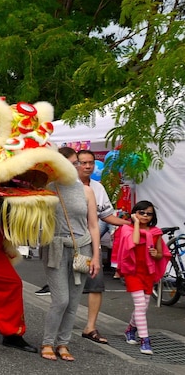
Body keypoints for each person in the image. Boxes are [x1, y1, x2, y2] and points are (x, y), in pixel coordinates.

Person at [39, 147, 100, 361]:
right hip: (54, 247)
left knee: (74, 302)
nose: (77, 167)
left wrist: (97, 257)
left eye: (78, 163)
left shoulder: (86, 191)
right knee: (61, 300)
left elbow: (93, 226)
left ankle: (63, 344)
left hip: (81, 248)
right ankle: (48, 342)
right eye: (73, 163)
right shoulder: (47, 188)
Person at [72, 149, 129, 344]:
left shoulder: (98, 187)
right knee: (66, 287)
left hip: (90, 242)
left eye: (91, 163)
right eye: (83, 163)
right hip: (69, 242)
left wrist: (129, 223)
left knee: (95, 284)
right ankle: (59, 331)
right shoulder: (67, 185)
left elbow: (105, 216)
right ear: (76, 164)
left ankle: (90, 327)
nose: (87, 166)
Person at [117, 201, 171, 355]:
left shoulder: (156, 232)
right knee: (141, 305)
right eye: (142, 212)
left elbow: (161, 253)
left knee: (143, 307)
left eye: (149, 213)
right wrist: (135, 223)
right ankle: (145, 340)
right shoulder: (127, 229)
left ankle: (130, 330)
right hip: (133, 272)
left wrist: (156, 254)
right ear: (135, 213)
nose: (145, 216)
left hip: (148, 272)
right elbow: (133, 242)